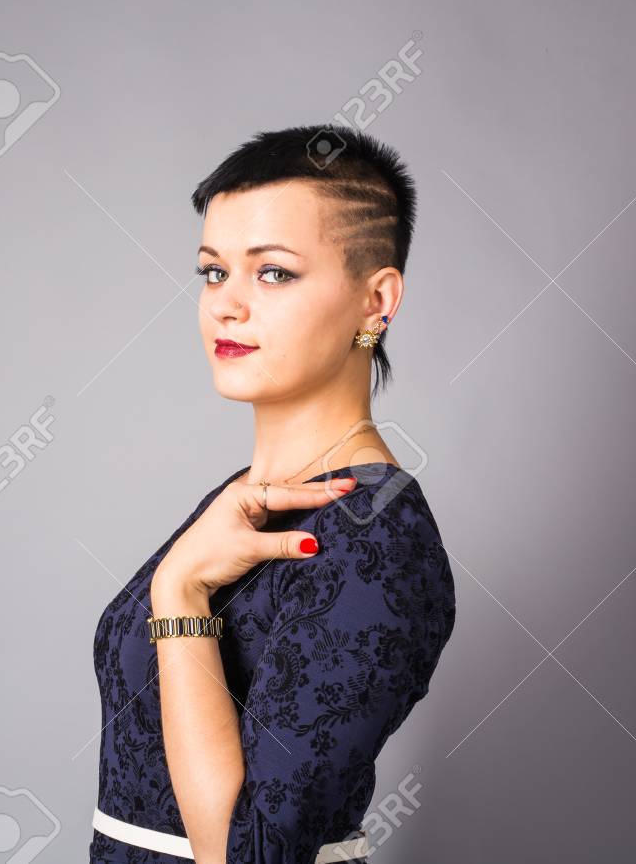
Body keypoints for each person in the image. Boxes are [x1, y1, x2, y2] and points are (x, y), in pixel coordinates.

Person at [90, 124, 457, 864]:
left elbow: (248, 857)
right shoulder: (239, 500)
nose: (226, 305)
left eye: (274, 273)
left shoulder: (374, 540)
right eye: (213, 272)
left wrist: (181, 594)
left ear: (374, 301)